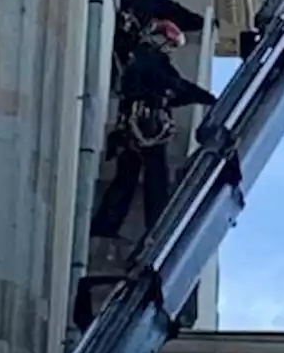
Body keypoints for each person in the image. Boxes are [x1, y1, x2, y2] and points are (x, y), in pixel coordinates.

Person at [90, 19, 218, 239]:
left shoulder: (138, 57)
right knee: (154, 180)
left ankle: (107, 228)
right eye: (169, 44)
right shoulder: (148, 58)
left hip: (138, 126)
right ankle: (154, 229)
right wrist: (207, 98)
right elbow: (174, 86)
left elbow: (171, 90)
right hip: (144, 126)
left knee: (129, 179)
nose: (169, 50)